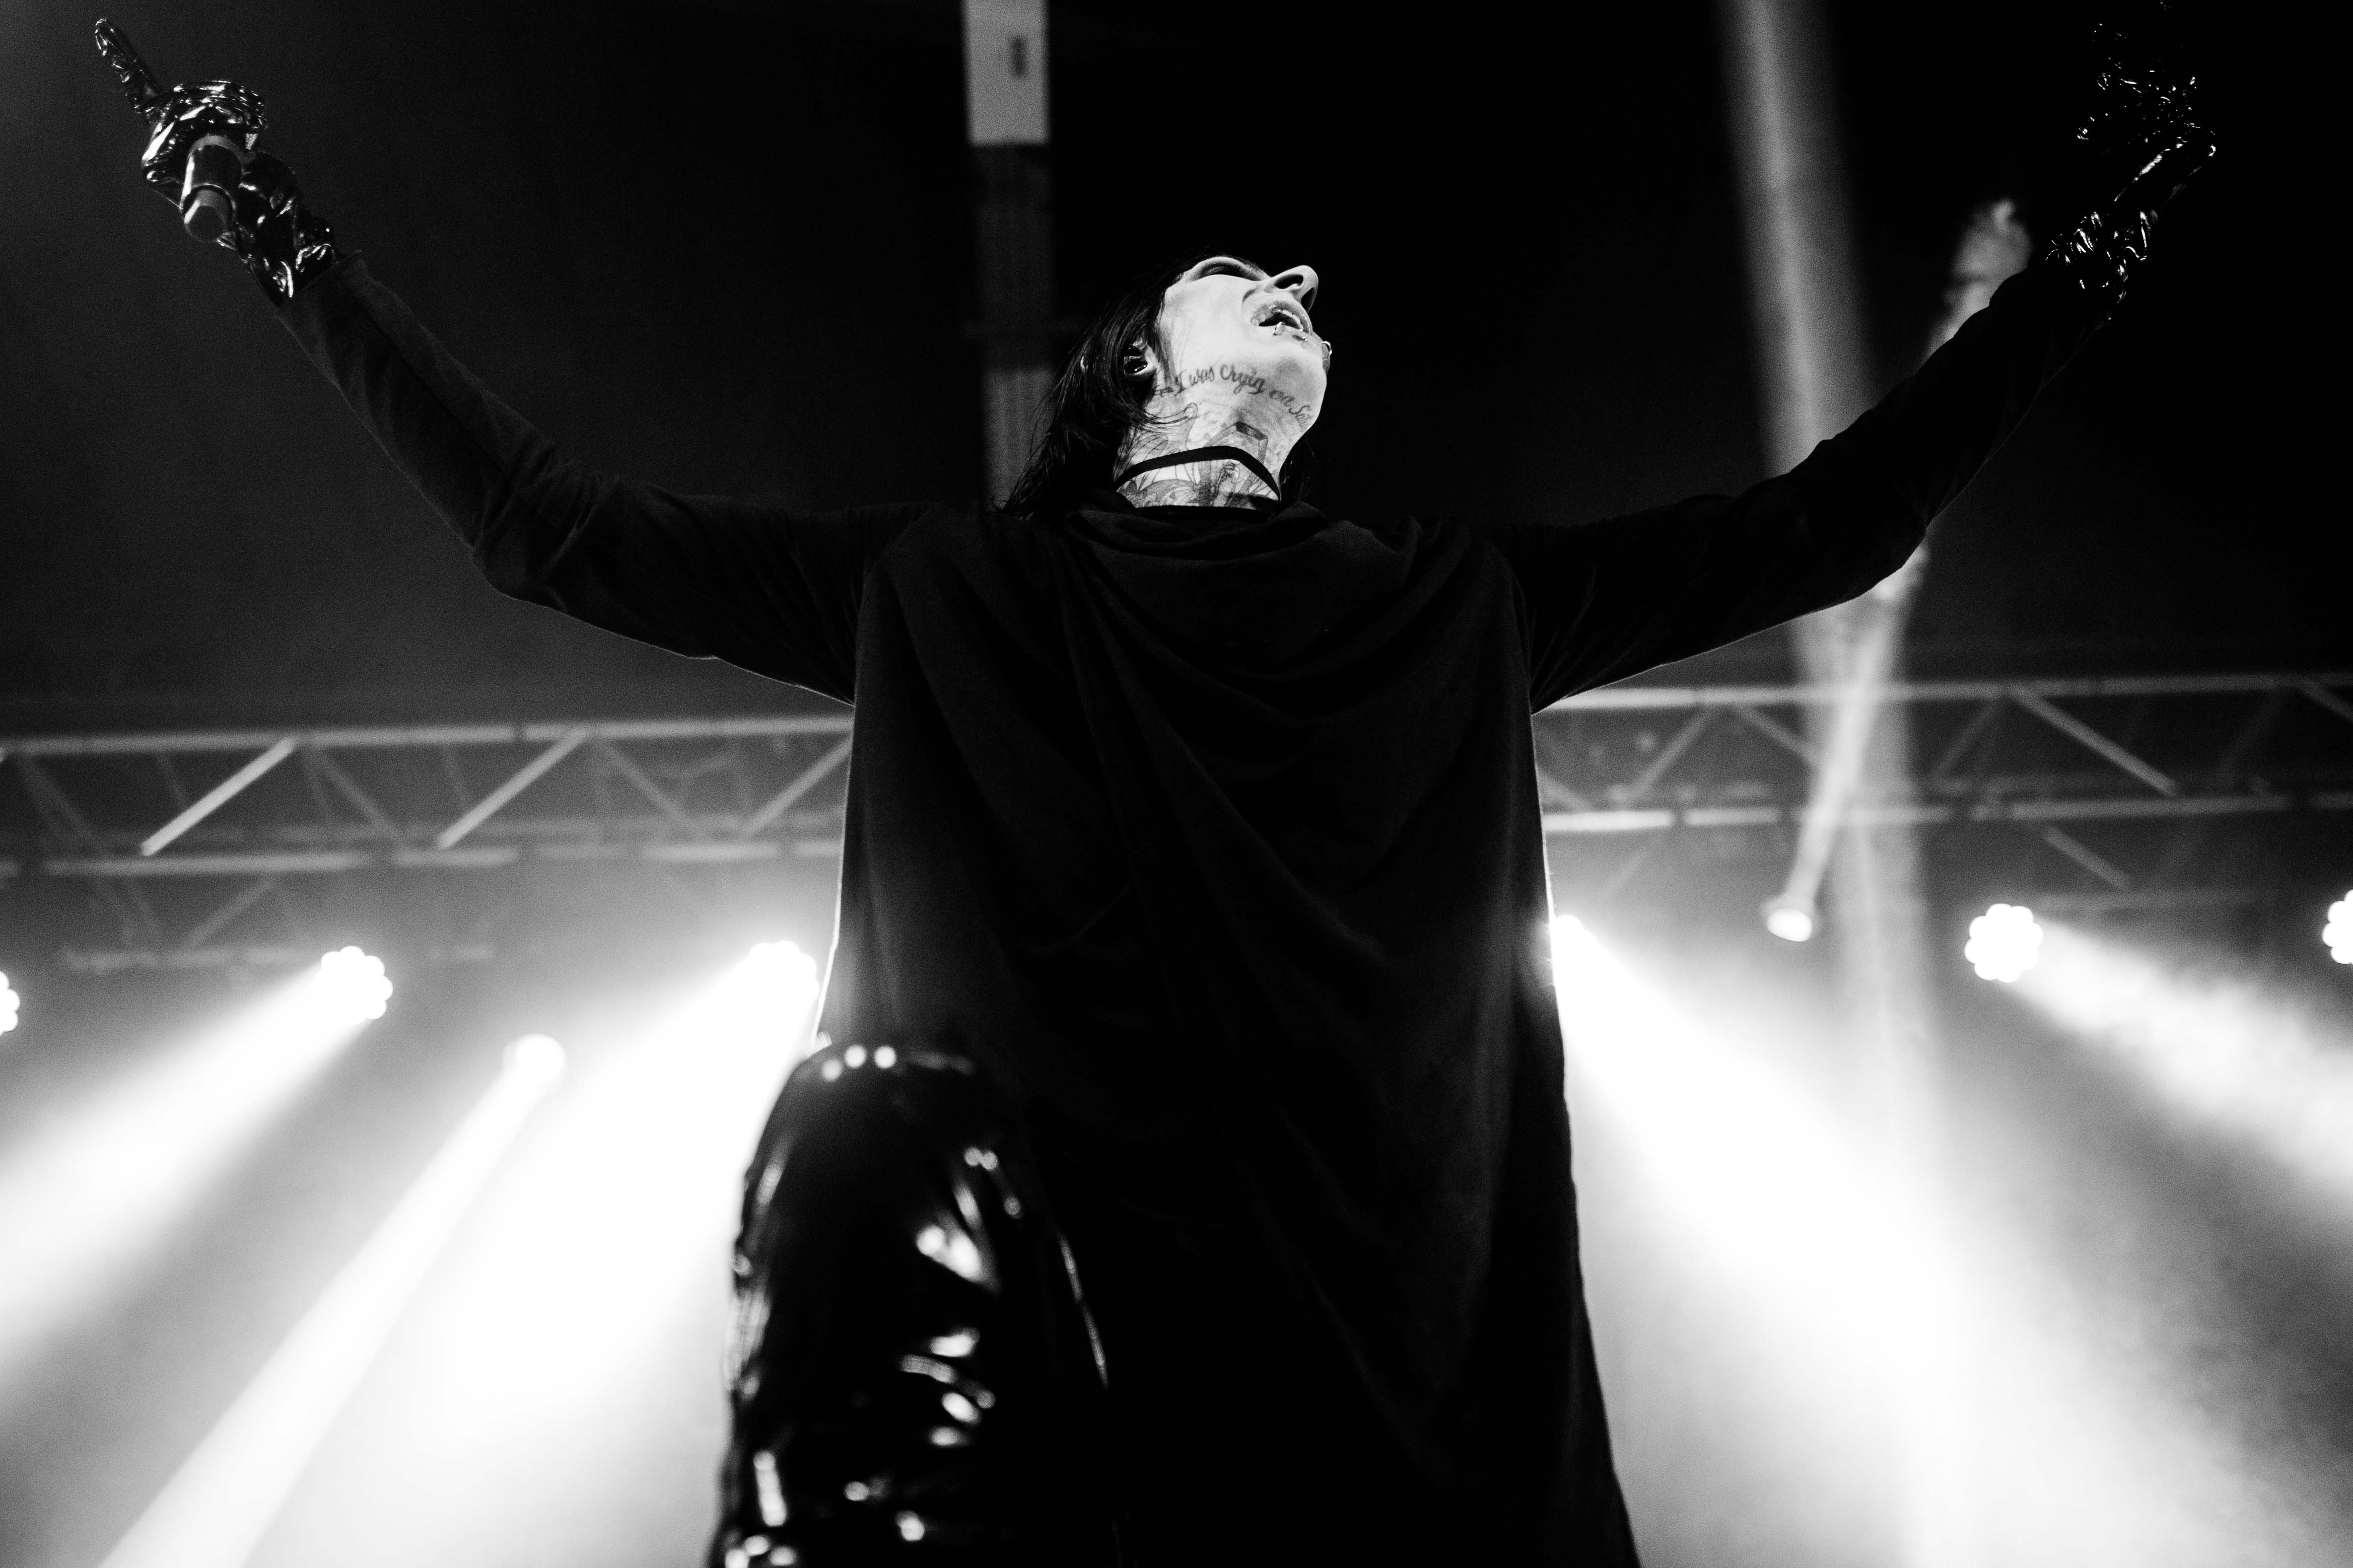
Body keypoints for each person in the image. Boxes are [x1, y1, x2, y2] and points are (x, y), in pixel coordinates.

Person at [98, 16, 2211, 1565]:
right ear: (1129, 367)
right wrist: (296, 255)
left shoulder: (1454, 601)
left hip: (1385, 1428)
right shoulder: (950, 591)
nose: (1304, 290)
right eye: (1245, 277)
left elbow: (1828, 525)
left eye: (1305, 298)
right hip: (1047, 1404)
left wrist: (2082, 275)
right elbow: (553, 529)